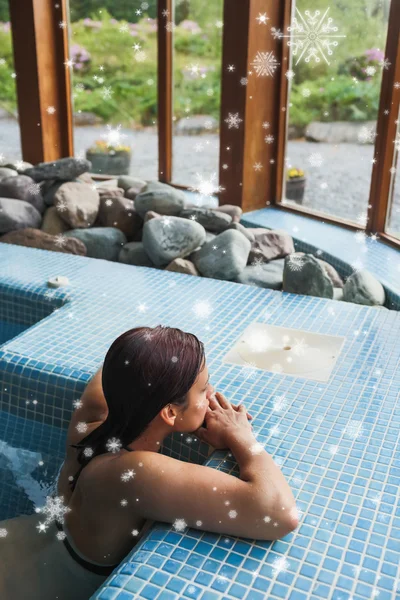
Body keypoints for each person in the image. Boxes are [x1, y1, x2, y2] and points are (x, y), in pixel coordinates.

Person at [0, 324, 260, 600]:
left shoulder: (90, 423)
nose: (211, 396)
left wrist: (183, 397)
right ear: (169, 411)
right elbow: (277, 512)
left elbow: (121, 367)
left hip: (19, 545)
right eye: (204, 388)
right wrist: (240, 435)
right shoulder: (135, 473)